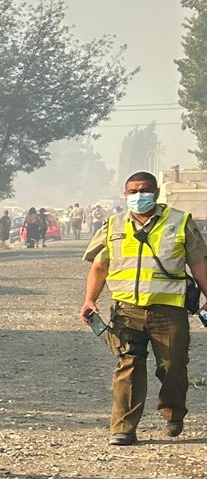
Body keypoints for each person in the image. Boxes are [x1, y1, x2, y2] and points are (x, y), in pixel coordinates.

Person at [80, 171, 207, 445]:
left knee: (173, 366)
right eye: (133, 191)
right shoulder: (112, 225)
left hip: (169, 311)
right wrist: (89, 299)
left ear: (156, 192)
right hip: (126, 311)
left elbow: (198, 262)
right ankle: (123, 428)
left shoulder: (179, 222)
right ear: (125, 195)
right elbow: (99, 266)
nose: (139, 196)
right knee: (128, 365)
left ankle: (173, 413)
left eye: (145, 190)